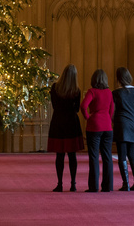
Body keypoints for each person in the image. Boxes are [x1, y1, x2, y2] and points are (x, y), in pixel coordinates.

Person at [47, 63, 84, 192]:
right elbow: (77, 109)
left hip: (58, 122)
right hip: (71, 123)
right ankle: (73, 184)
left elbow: (54, 106)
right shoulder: (76, 91)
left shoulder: (55, 88)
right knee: (72, 155)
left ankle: (60, 184)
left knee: (60, 155)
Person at [80, 69, 114, 193]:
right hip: (107, 127)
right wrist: (108, 120)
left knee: (94, 156)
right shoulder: (109, 93)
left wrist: (88, 117)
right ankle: (108, 186)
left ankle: (93, 187)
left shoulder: (92, 92)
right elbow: (112, 109)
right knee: (107, 157)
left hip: (94, 126)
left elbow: (83, 106)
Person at [113, 67, 134, 191]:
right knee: (132, 154)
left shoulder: (116, 93)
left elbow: (113, 111)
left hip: (122, 123)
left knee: (122, 155)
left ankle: (126, 184)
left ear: (118, 78)